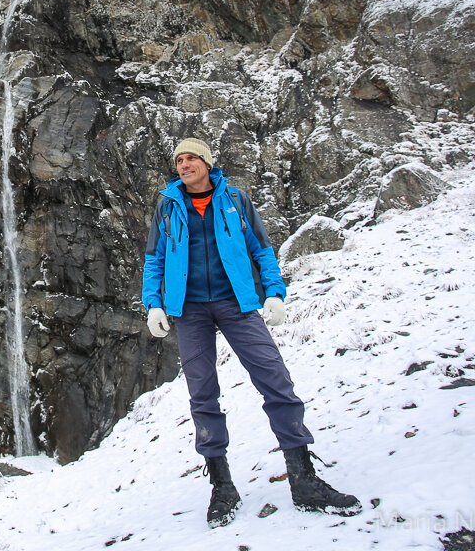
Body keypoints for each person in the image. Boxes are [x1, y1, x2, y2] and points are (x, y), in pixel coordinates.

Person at [142, 138, 361, 528]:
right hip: (189, 310)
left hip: (237, 304)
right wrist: (154, 303)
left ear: (208, 163)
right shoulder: (167, 205)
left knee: (276, 380)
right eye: (179, 159)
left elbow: (261, 248)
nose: (184, 164)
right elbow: (155, 257)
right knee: (202, 395)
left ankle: (304, 479)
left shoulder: (235, 200)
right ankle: (222, 486)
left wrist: (275, 291)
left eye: (191, 157)